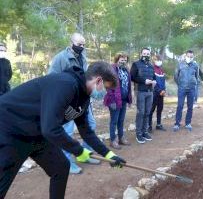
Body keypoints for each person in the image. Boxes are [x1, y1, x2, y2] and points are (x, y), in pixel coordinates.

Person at [0, 62, 126, 199]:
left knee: (60, 167)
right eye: (106, 88)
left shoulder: (83, 97)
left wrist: (108, 155)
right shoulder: (65, 84)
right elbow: (51, 129)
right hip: (10, 130)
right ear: (99, 80)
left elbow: (86, 131)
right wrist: (79, 150)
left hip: (36, 132)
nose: (105, 93)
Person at [48, 33, 99, 174]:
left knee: (91, 125)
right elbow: (51, 78)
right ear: (71, 43)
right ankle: (67, 163)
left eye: (83, 45)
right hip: (68, 102)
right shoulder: (60, 58)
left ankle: (85, 156)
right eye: (79, 44)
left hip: (82, 100)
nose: (81, 47)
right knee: (67, 133)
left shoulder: (83, 57)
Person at [104, 52, 132, 149]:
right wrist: (111, 101)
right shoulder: (111, 69)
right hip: (114, 100)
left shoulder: (126, 70)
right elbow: (107, 85)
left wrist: (130, 100)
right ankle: (112, 140)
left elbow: (128, 86)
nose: (123, 61)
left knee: (121, 120)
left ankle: (121, 138)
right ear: (117, 59)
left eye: (125, 60)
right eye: (121, 59)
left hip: (123, 99)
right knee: (114, 121)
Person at [130, 47, 156, 144]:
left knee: (147, 112)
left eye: (147, 53)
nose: (146, 55)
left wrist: (154, 81)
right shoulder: (136, 64)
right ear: (141, 54)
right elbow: (132, 77)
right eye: (144, 53)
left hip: (150, 92)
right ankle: (139, 134)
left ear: (150, 54)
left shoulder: (151, 65)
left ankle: (145, 132)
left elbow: (153, 76)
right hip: (140, 91)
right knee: (141, 112)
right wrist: (144, 81)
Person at [173, 50, 199, 132]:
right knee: (180, 106)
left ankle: (188, 123)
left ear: (193, 57)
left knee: (190, 107)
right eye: (188, 56)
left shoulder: (195, 65)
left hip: (191, 89)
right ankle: (177, 123)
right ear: (185, 56)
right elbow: (175, 76)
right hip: (182, 89)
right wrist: (180, 84)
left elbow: (196, 76)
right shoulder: (180, 64)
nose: (189, 58)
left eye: (191, 57)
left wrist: (193, 84)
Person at [148, 55, 167, 133]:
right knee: (151, 110)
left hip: (161, 93)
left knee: (160, 109)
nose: (158, 61)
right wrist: (159, 91)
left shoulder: (161, 70)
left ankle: (158, 124)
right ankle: (149, 126)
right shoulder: (151, 69)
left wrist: (164, 90)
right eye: (157, 59)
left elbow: (163, 82)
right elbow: (153, 83)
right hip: (154, 93)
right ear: (153, 60)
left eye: (159, 59)